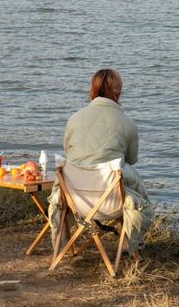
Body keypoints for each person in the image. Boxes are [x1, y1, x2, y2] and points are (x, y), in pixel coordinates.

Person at [50, 68, 153, 252]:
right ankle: (130, 244)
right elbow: (131, 159)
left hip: (74, 200)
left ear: (92, 90)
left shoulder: (74, 119)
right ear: (119, 92)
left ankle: (64, 246)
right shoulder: (127, 123)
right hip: (112, 202)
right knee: (132, 183)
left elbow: (69, 152)